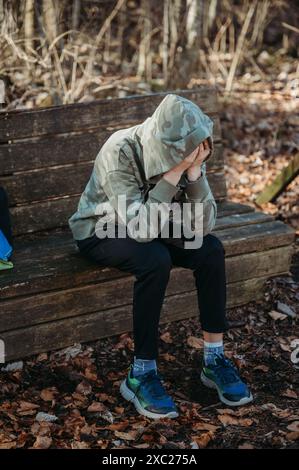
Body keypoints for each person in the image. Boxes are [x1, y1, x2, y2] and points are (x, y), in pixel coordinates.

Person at [68, 93, 253, 420]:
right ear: (165, 146)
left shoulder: (190, 150)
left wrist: (194, 174)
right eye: (181, 155)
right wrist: (174, 173)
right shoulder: (121, 150)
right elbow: (139, 230)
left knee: (210, 251)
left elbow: (203, 226)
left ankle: (213, 360)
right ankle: (141, 372)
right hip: (101, 227)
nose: (188, 158)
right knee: (154, 259)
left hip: (153, 223)